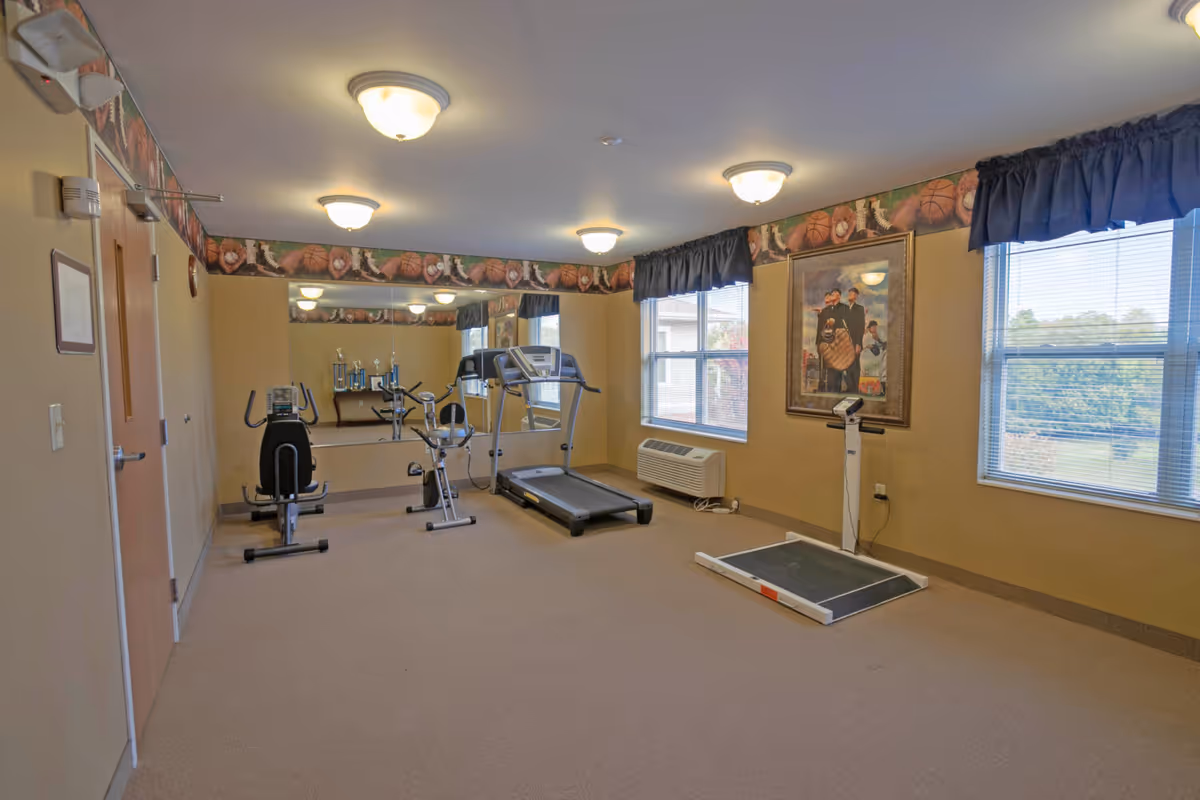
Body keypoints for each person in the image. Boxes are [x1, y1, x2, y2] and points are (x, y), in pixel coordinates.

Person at [818, 288, 848, 393]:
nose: (833, 295)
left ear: (839, 296)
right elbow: (821, 328)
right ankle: (830, 391)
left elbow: (846, 325)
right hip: (827, 343)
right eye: (832, 293)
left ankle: (837, 390)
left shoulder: (844, 308)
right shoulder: (825, 310)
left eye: (835, 293)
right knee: (829, 368)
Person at [844, 287, 867, 394]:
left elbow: (860, 326)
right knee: (847, 365)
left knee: (855, 365)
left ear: (856, 296)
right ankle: (849, 388)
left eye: (852, 293)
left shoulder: (859, 308)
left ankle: (854, 390)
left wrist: (858, 343)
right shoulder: (845, 309)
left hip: (855, 341)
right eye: (849, 293)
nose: (850, 295)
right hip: (846, 342)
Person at [866, 320, 887, 396]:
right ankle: (883, 392)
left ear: (874, 326)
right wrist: (872, 348)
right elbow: (877, 352)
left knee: (885, 373)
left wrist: (878, 340)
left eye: (870, 328)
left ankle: (885, 392)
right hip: (883, 353)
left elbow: (886, 343)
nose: (870, 330)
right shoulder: (874, 335)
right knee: (882, 373)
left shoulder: (881, 331)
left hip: (888, 352)